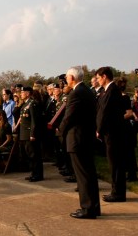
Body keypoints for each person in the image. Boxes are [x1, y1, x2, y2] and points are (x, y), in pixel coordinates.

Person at [59, 66, 100, 219]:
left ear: (72, 78)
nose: (65, 81)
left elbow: (69, 117)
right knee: (89, 174)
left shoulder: (76, 93)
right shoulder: (87, 91)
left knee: (83, 176)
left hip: (78, 139)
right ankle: (94, 207)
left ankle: (87, 209)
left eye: (67, 78)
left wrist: (60, 131)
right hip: (87, 138)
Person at [95, 66, 127, 202]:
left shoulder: (112, 90)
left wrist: (99, 129)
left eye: (98, 78)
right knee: (113, 162)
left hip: (113, 131)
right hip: (110, 132)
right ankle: (115, 190)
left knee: (116, 163)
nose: (97, 80)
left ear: (104, 76)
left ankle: (118, 193)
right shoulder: (106, 90)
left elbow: (105, 112)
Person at [19, 85, 43, 182]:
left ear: (28, 93)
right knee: (30, 155)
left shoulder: (32, 104)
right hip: (24, 133)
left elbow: (34, 121)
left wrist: (32, 134)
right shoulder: (26, 104)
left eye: (22, 92)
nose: (21, 94)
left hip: (30, 133)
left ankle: (38, 174)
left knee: (34, 155)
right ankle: (33, 173)